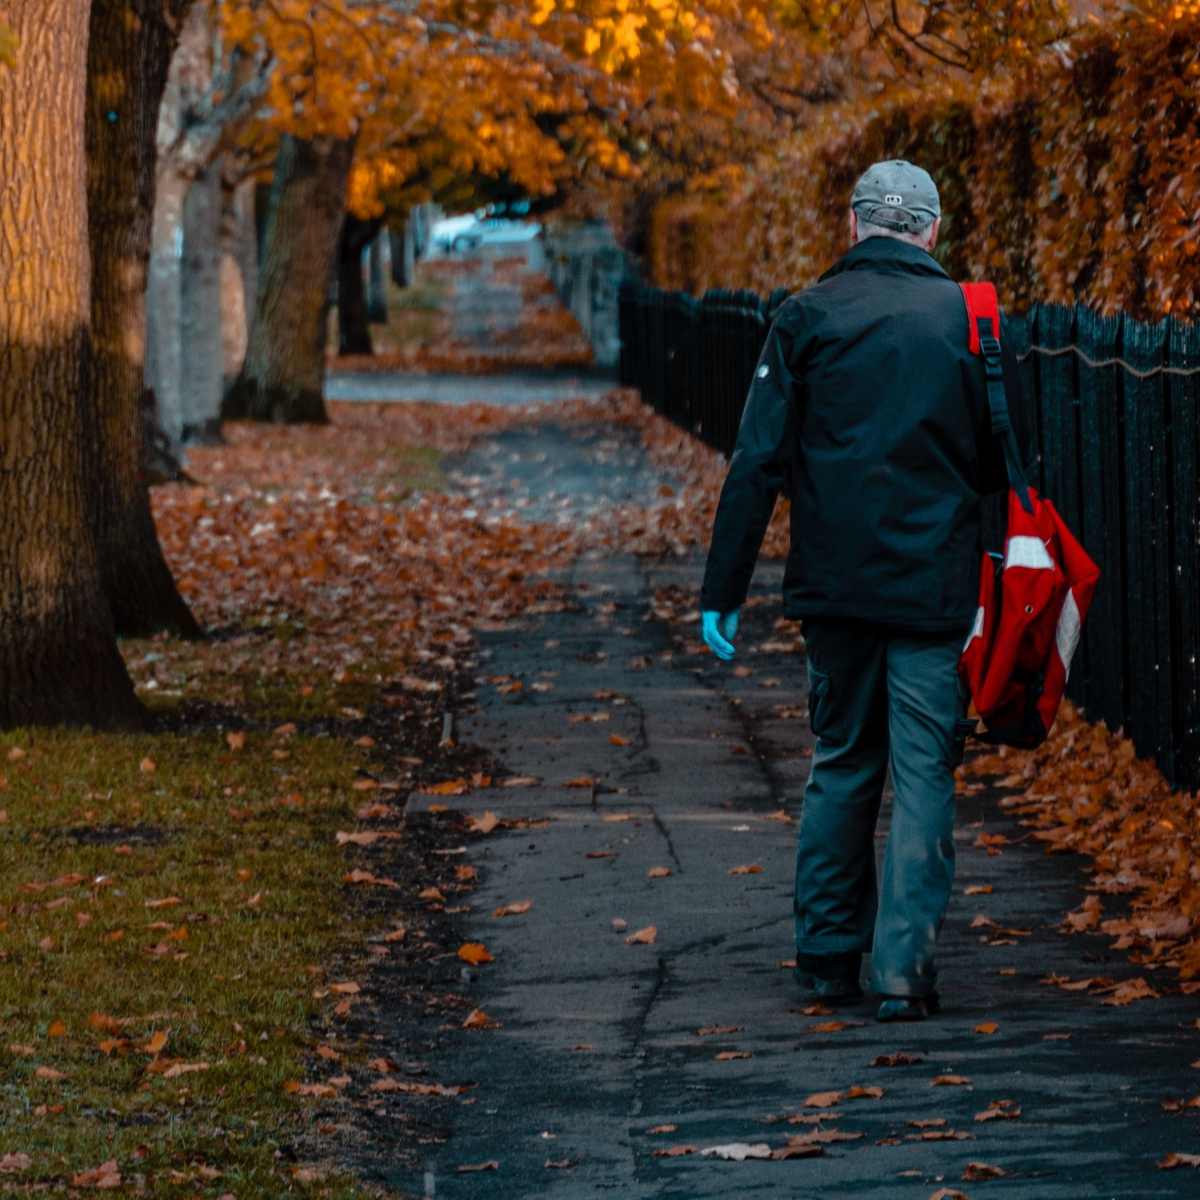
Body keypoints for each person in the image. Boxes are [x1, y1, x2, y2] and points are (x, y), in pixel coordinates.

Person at [698, 160, 1030, 1022]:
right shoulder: (970, 320)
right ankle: (905, 971)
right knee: (925, 773)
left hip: (835, 588)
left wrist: (723, 587)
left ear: (853, 227)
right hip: (933, 587)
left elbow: (757, 462)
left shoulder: (805, 316)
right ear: (930, 232)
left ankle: (825, 955)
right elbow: (1001, 463)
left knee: (842, 763)